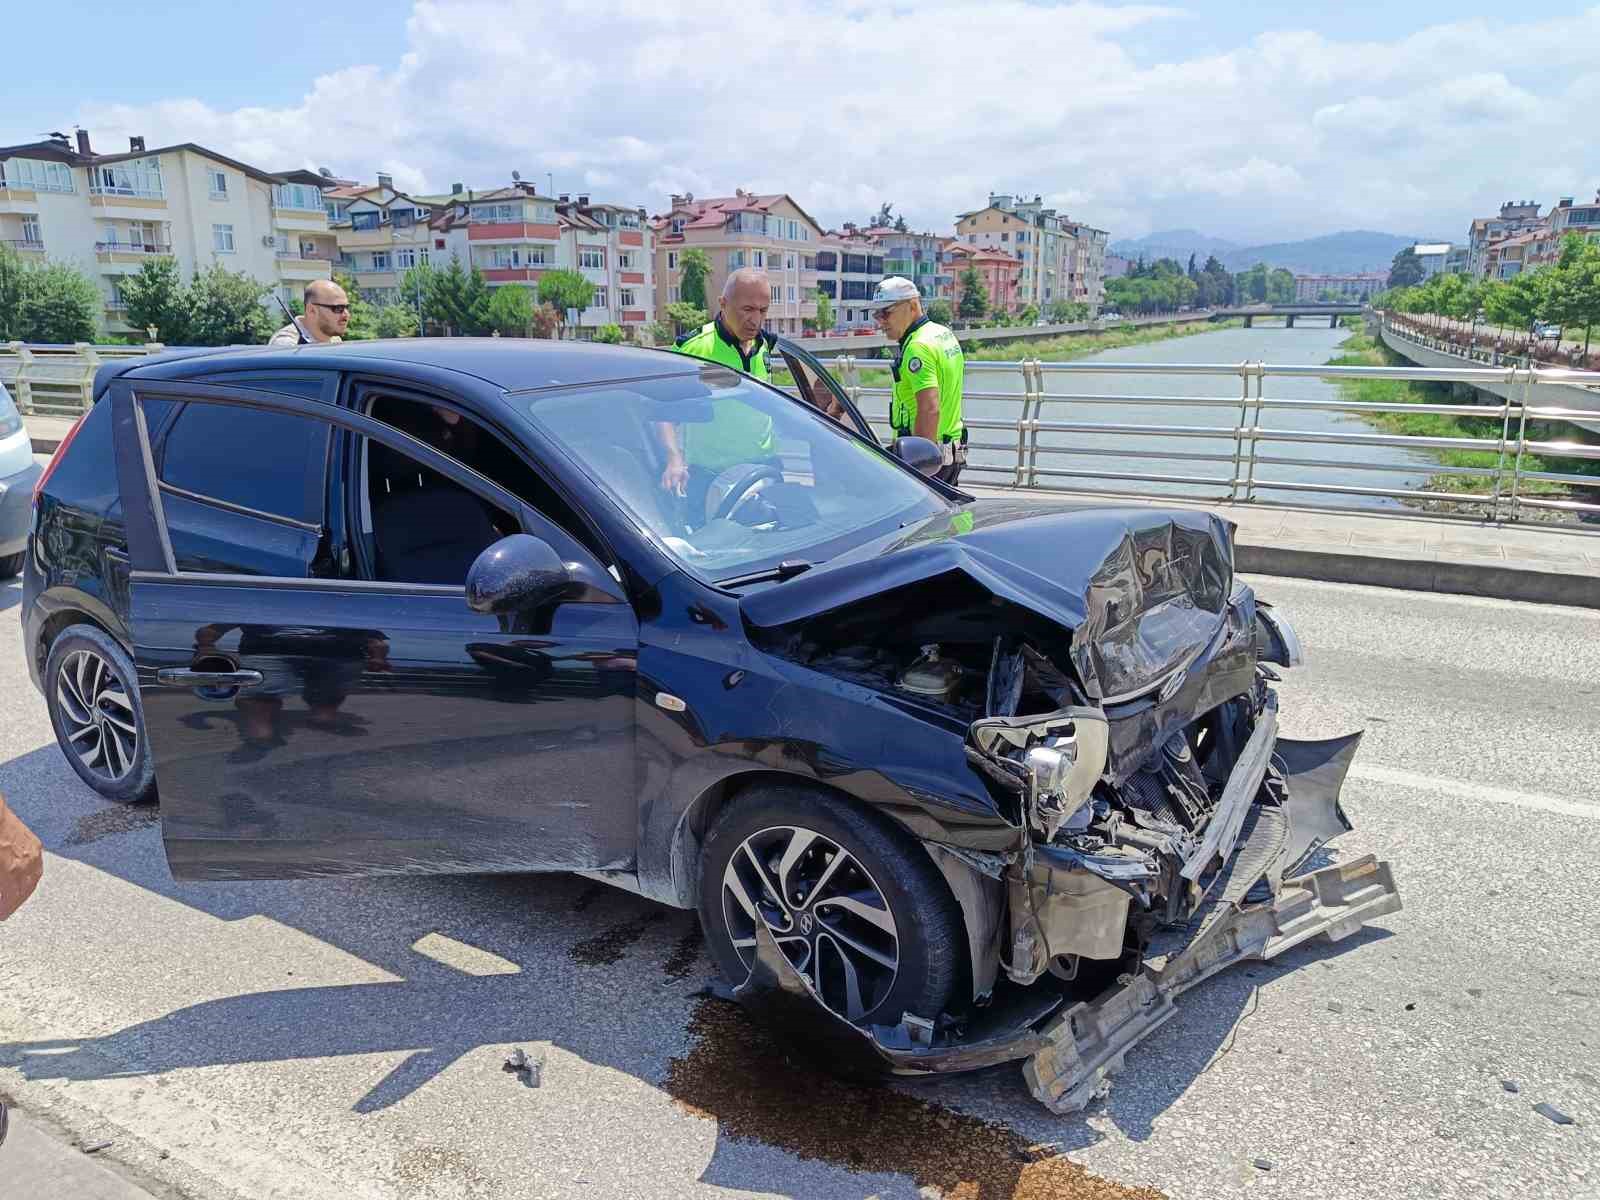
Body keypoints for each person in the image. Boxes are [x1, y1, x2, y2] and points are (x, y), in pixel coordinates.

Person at [658, 268, 781, 516]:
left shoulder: (763, 344)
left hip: (764, 466)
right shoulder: (695, 348)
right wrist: (674, 459)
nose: (755, 320)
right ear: (723, 304)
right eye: (747, 309)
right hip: (712, 475)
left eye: (763, 310)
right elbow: (663, 409)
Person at [868, 276, 967, 484]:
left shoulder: (917, 347)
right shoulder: (943, 334)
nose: (880, 321)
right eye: (876, 313)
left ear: (912, 306)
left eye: (886, 312)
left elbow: (929, 408)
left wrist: (920, 466)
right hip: (951, 453)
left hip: (928, 460)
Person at [270, 278, 351, 346]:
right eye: (338, 308)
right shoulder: (287, 344)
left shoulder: (335, 340)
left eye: (347, 307)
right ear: (311, 310)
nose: (346, 315)